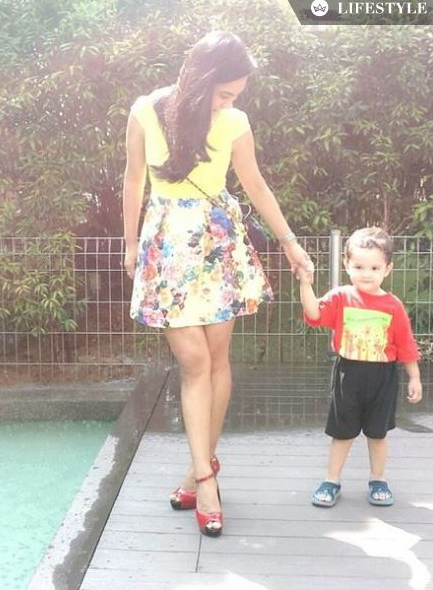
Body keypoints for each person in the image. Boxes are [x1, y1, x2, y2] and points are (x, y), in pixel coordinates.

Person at [123, 31, 313, 536]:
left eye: (235, 95)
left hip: (217, 242)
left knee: (217, 359)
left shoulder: (234, 122)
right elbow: (133, 178)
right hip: (167, 243)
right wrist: (130, 242)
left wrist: (290, 243)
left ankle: (198, 468)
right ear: (200, 79)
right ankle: (206, 479)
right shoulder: (145, 111)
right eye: (224, 93)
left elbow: (255, 184)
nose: (229, 103)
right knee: (194, 362)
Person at [297, 227, 422, 507]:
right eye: (359, 267)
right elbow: (314, 315)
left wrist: (414, 376)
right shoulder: (340, 297)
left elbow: (406, 344)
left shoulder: (393, 305)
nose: (366, 274)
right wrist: (305, 285)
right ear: (346, 265)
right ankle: (331, 481)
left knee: (377, 434)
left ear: (387, 269)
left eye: (374, 268)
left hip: (383, 378)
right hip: (348, 375)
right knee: (342, 432)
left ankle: (378, 480)